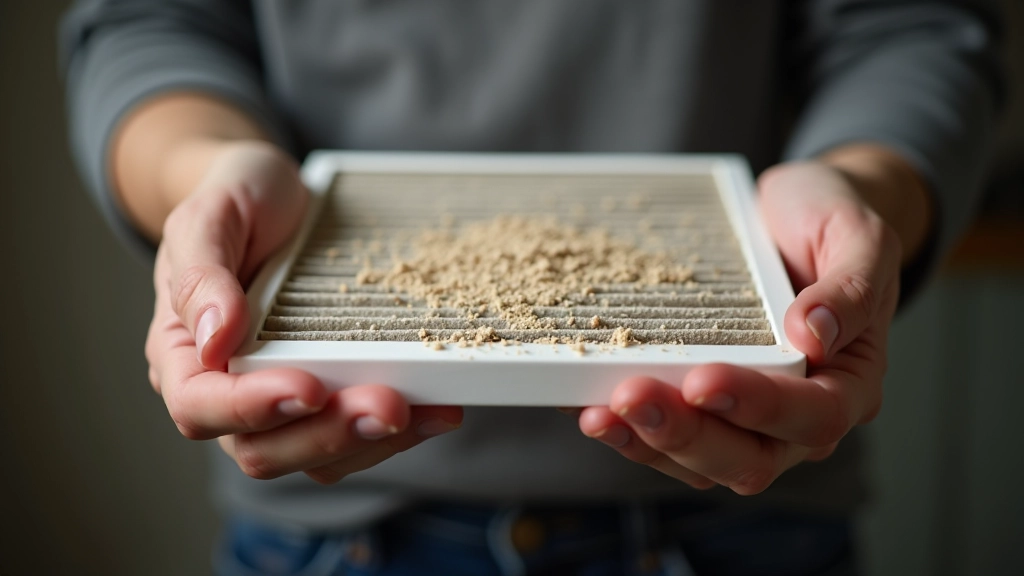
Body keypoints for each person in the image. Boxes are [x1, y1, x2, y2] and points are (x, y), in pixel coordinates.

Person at [60, 1, 1001, 574]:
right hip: (331, 539)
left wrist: (863, 188)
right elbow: (152, 20)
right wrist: (207, 172)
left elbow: (908, 27)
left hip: (746, 523)